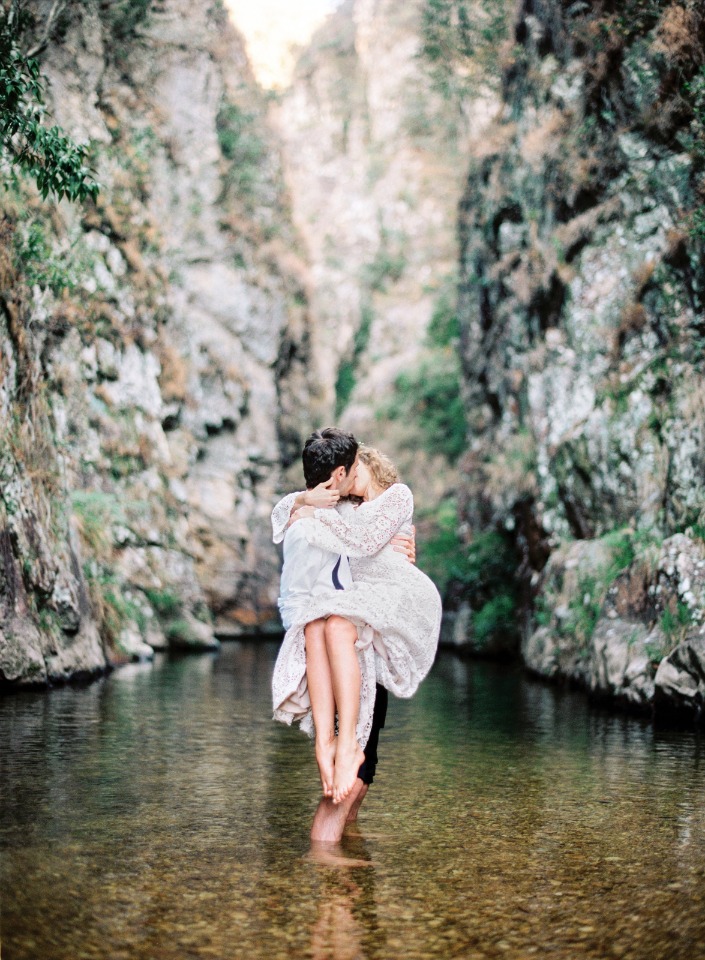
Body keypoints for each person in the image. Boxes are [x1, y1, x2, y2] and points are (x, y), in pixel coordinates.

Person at [271, 442, 442, 838]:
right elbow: (284, 516)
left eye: (345, 475)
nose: (341, 485)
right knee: (327, 631)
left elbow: (363, 542)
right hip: (353, 619)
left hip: (381, 618)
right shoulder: (343, 508)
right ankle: (333, 846)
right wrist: (305, 501)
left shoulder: (396, 496)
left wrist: (316, 515)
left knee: (367, 755)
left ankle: (338, 843)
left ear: (361, 463)